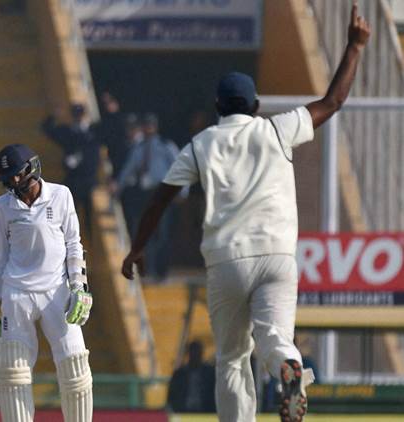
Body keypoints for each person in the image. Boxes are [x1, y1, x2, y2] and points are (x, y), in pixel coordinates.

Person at [121, 6, 370, 421]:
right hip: (276, 256)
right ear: (256, 105)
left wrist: (136, 249)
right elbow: (334, 100)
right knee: (275, 339)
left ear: (218, 106)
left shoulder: (201, 145)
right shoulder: (277, 128)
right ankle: (288, 370)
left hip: (227, 260)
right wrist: (355, 47)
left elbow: (160, 199)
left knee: (233, 358)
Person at [0, 144, 93, 422]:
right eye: (9, 179)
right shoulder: (2, 206)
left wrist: (79, 286)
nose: (15, 183)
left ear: (32, 168)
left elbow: (74, 244)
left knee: (75, 368)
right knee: (14, 374)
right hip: (17, 293)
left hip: (57, 291)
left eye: (18, 176)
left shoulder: (61, 195)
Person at [114, 113, 182, 282]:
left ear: (155, 127)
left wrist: (183, 192)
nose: (148, 128)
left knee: (163, 234)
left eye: (151, 125)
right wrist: (117, 188)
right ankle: (149, 271)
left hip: (162, 193)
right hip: (145, 195)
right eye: (145, 125)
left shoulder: (165, 146)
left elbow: (180, 167)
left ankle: (162, 271)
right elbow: (128, 170)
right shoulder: (139, 148)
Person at [41, 104, 101, 233]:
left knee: (90, 219)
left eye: (80, 114)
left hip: (89, 179)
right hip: (73, 179)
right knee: (65, 212)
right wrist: (54, 116)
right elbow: (48, 130)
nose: (78, 118)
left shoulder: (94, 131)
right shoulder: (68, 132)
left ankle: (89, 242)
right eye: (76, 115)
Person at [167, 340, 216, 413]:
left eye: (197, 353)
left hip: (206, 414)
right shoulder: (179, 374)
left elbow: (214, 394)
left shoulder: (210, 373)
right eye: (193, 353)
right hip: (183, 413)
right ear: (188, 354)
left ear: (201, 354)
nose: (195, 356)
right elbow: (171, 396)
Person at [95, 92, 128, 180]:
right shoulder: (103, 123)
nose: (108, 106)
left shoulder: (124, 121)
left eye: (110, 102)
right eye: (105, 104)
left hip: (124, 155)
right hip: (112, 156)